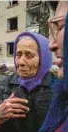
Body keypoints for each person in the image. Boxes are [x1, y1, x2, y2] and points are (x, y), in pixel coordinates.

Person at [0, 31, 57, 132]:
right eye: (18, 54)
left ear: (44, 58)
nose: (20, 62)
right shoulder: (3, 85)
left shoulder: (59, 89)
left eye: (29, 55)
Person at [39, 1, 68, 132]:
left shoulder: (51, 87)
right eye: (17, 54)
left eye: (61, 27)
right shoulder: (61, 98)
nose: (51, 45)